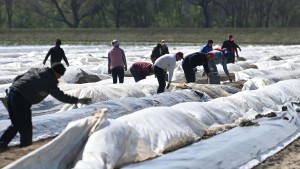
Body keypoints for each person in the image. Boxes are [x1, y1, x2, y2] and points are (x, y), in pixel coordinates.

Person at [0, 63, 91, 152]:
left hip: (13, 93)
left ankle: (2, 144)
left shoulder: (36, 70)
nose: (59, 78)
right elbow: (60, 96)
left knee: (16, 124)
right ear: (57, 73)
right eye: (59, 75)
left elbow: (18, 77)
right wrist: (77, 100)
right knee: (26, 126)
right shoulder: (49, 80)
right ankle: (25, 149)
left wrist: (13, 87)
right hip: (21, 99)